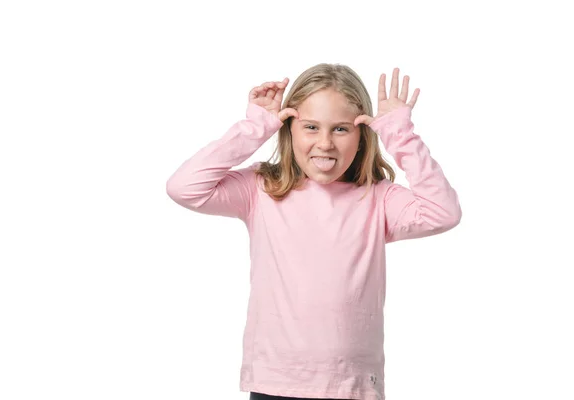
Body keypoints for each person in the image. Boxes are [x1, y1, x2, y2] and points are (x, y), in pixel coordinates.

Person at [166, 63, 462, 400]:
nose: (325, 143)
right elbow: (184, 187)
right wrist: (255, 126)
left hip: (353, 388)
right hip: (275, 383)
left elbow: (443, 212)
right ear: (289, 129)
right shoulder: (262, 188)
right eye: (310, 127)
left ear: (362, 133)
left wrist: (400, 134)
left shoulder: (377, 197)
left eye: (340, 129)